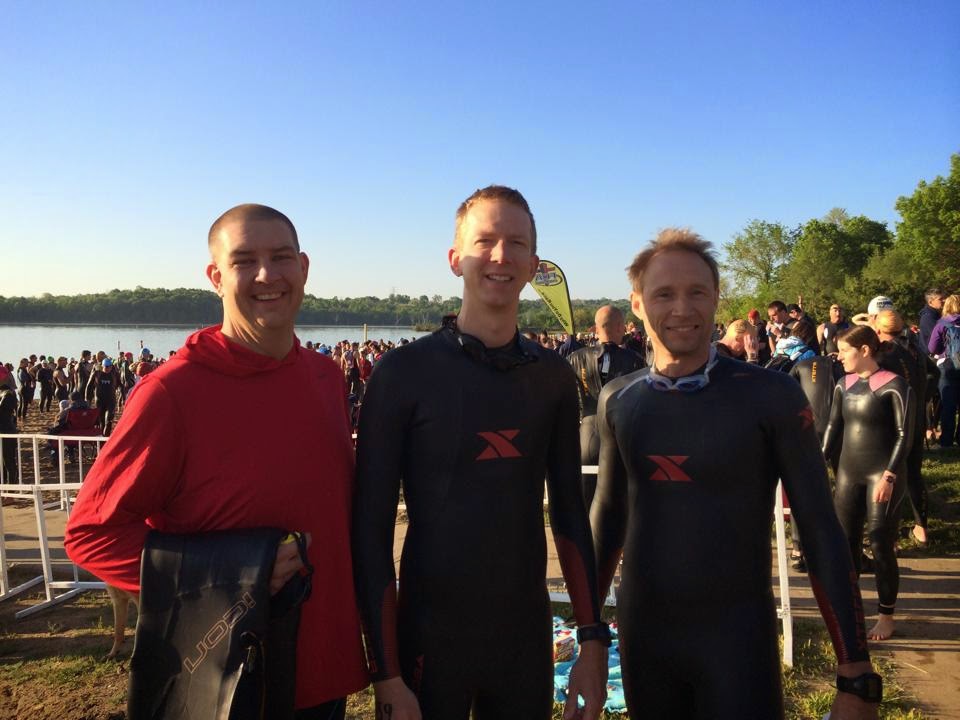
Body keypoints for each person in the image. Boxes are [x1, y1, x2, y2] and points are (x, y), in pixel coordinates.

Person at [64, 203, 368, 718]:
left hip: (324, 670)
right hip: (224, 677)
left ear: (304, 268)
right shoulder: (171, 393)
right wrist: (234, 576)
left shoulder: (326, 377)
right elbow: (92, 533)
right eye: (244, 260)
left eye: (281, 257)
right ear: (216, 277)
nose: (267, 275)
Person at [591, 229, 880, 719]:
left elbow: (819, 528)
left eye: (696, 292)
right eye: (664, 294)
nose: (682, 308)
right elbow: (607, 518)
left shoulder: (769, 396)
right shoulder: (618, 399)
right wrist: (591, 636)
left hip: (737, 641)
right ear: (636, 304)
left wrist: (856, 674)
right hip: (645, 637)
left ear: (716, 297)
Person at [352, 185, 608, 720]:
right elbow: (371, 531)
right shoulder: (403, 375)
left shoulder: (551, 378)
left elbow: (569, 514)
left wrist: (591, 641)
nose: (500, 255)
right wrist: (387, 673)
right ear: (455, 259)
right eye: (485, 241)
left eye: (516, 243)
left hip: (523, 636)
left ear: (533, 266)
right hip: (429, 636)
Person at [824, 325, 914, 641]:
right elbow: (833, 428)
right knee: (846, 544)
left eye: (844, 351)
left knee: (879, 544)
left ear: (864, 350)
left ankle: (886, 616)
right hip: (849, 474)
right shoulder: (843, 384)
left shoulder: (894, 385)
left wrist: (890, 475)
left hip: (882, 475)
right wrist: (816, 463)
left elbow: (904, 436)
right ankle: (851, 613)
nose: (838, 356)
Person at [568, 305, 645, 504]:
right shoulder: (635, 360)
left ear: (596, 328)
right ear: (620, 327)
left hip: (586, 435)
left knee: (587, 500)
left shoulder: (575, 358)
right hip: (620, 437)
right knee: (619, 503)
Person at [874, 310, 929, 545]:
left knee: (888, 476)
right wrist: (922, 396)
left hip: (893, 424)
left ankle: (891, 538)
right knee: (914, 474)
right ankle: (921, 529)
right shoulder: (914, 349)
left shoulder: (884, 353)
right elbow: (935, 372)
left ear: (878, 329)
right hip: (915, 419)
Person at [928, 293, 960, 449]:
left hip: (947, 366)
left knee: (948, 405)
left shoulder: (941, 324)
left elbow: (932, 348)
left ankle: (946, 441)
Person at [87, 357, 120, 435]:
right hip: (99, 400)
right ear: (102, 366)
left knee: (109, 420)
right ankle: (102, 438)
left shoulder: (114, 374)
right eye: (106, 367)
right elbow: (89, 386)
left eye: (109, 367)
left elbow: (120, 385)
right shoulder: (96, 373)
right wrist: (87, 398)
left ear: (111, 367)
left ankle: (106, 437)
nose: (107, 368)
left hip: (111, 400)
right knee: (101, 420)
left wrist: (123, 396)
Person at [0, 368, 18, 484]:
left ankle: (11, 488)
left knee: (8, 461)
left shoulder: (8, 394)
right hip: (3, 430)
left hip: (6, 431)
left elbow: (3, 412)